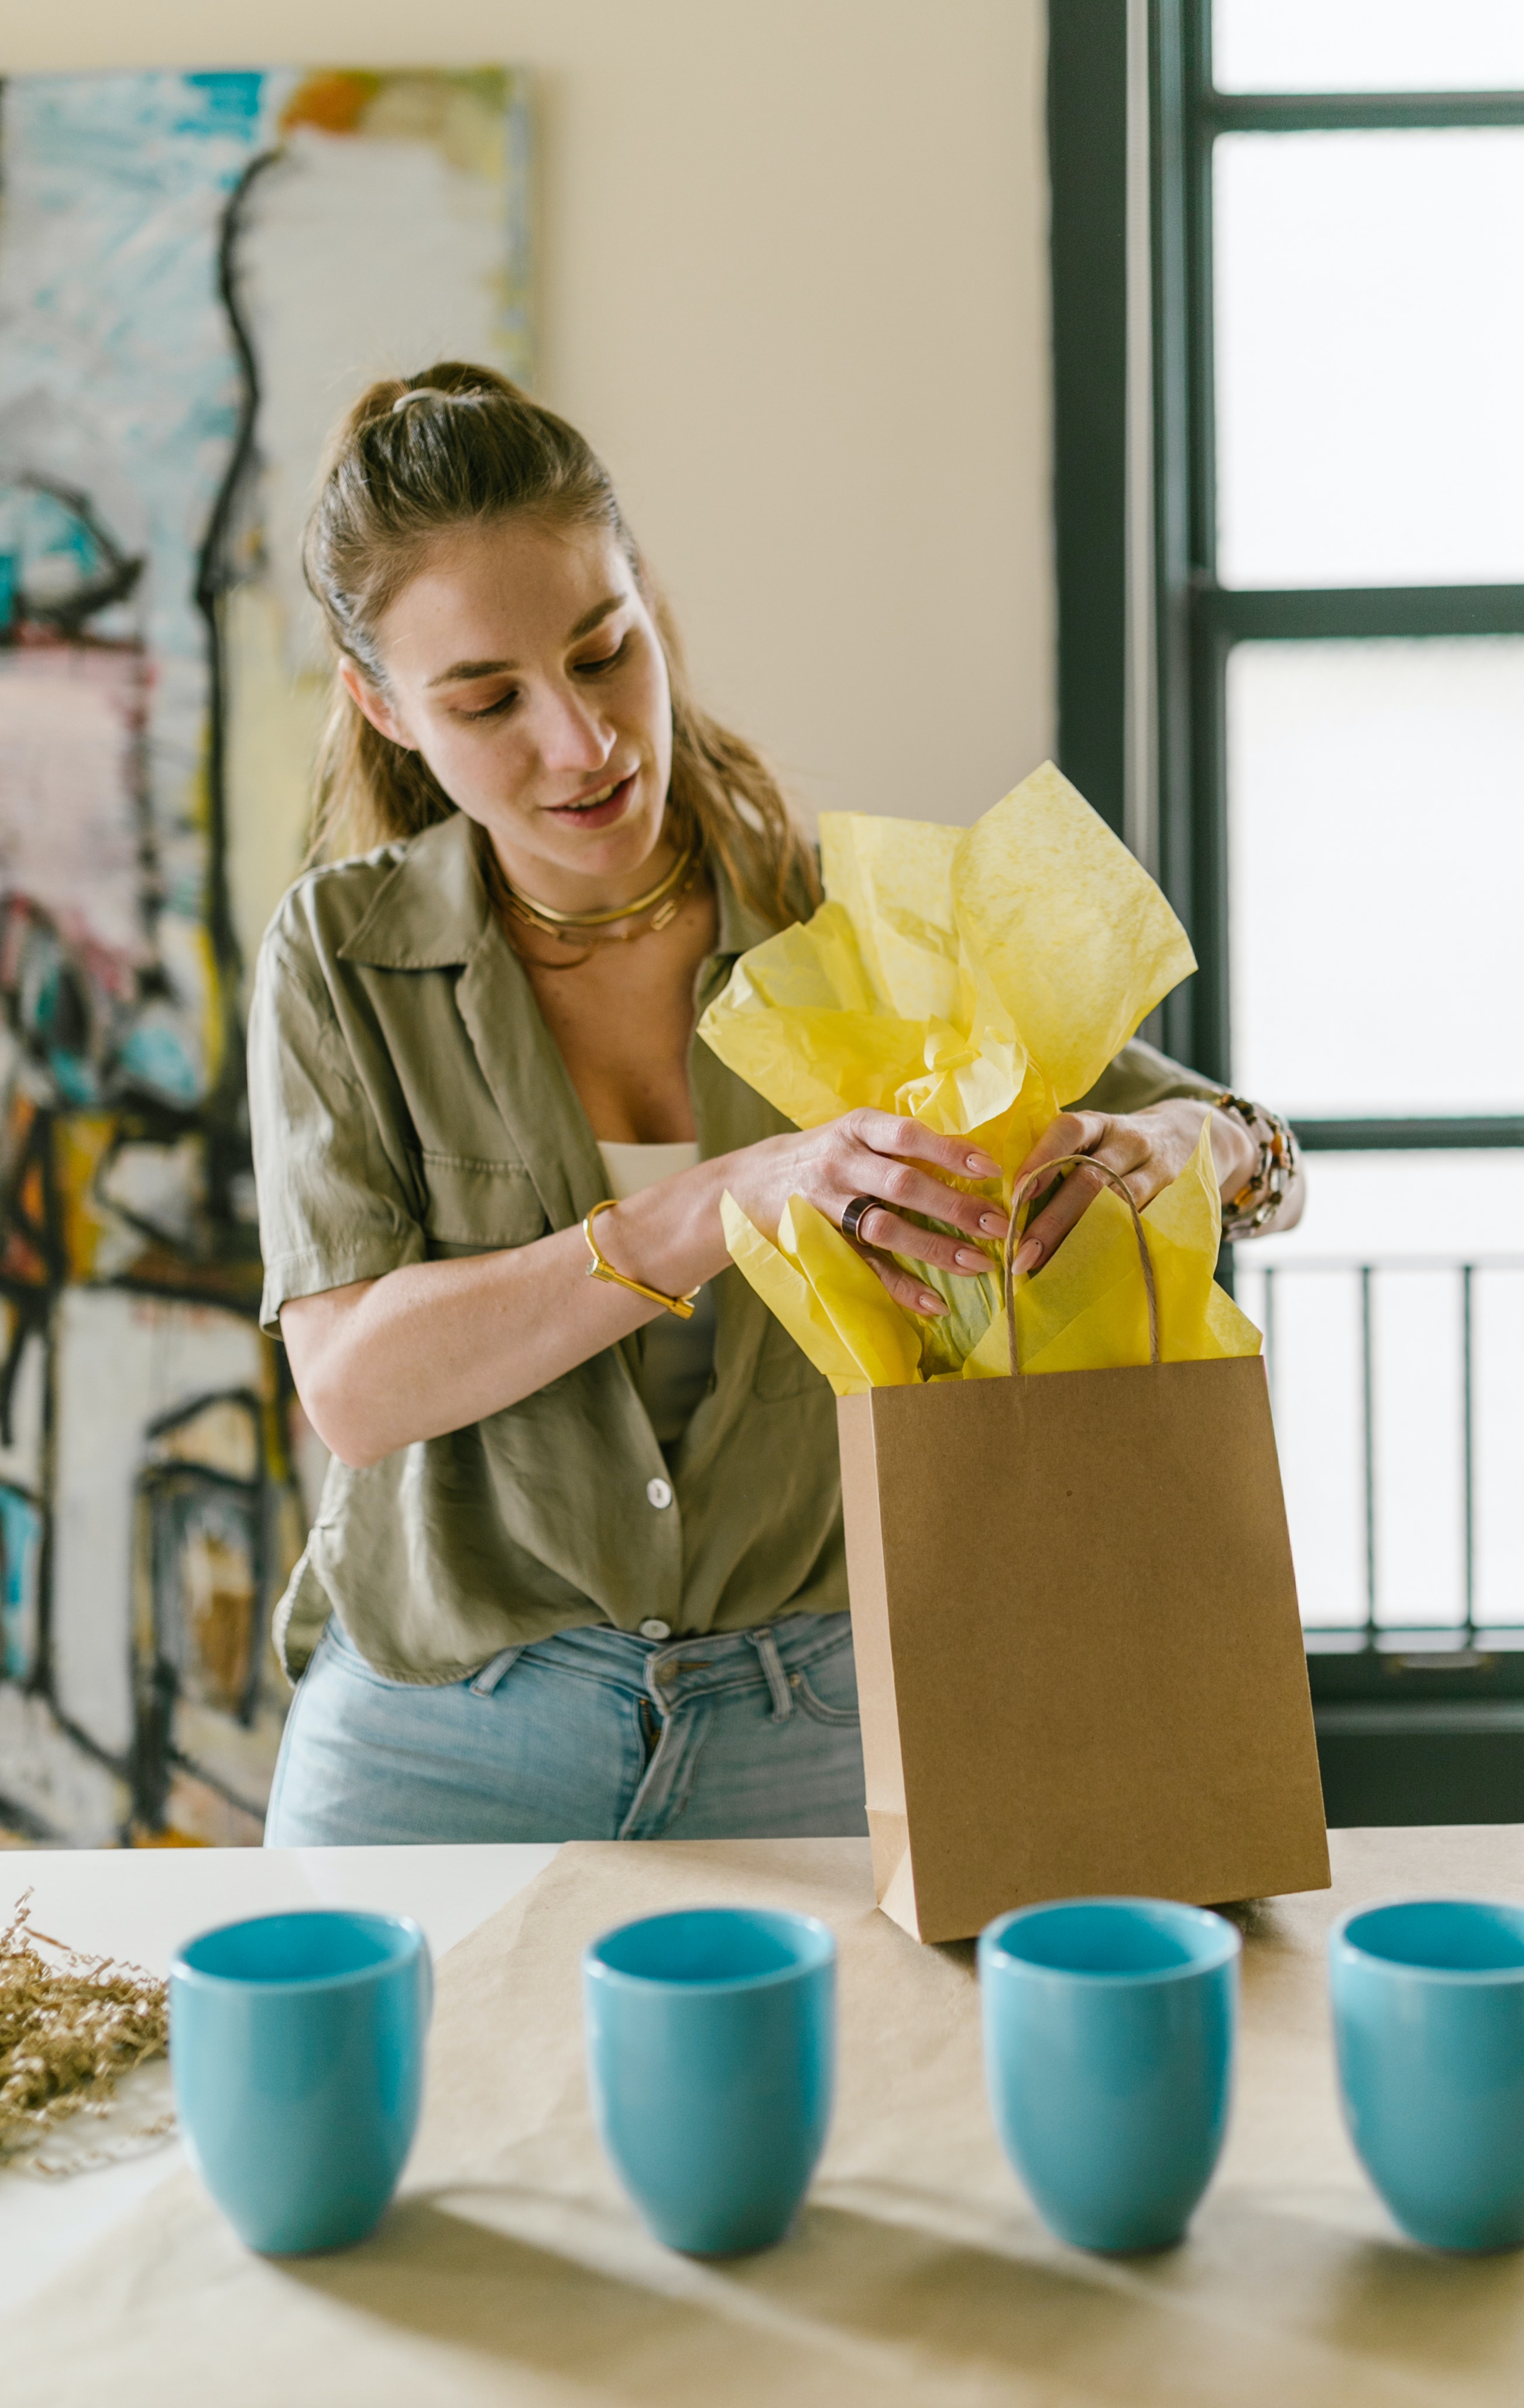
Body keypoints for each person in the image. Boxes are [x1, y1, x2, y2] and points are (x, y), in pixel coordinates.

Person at [250, 362, 1304, 1847]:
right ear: (386, 708)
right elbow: (356, 1387)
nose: (582, 740)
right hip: (442, 1735)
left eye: (603, 653)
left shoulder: (860, 919)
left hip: (822, 1727)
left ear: (648, 609)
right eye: (486, 699)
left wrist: (1188, 1151)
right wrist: (714, 1206)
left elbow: (1246, 1146)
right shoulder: (340, 954)